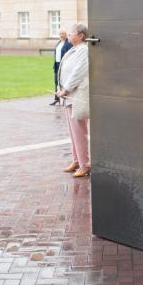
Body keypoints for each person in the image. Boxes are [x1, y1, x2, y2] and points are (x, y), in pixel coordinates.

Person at [57, 23, 90, 178]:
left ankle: (85, 164)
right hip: (69, 96)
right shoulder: (73, 49)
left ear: (81, 35)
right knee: (73, 132)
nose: (68, 35)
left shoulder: (83, 50)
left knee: (79, 131)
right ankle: (76, 160)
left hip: (75, 96)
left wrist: (65, 89)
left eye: (71, 33)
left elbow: (78, 73)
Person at [50, 29, 72, 105]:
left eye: (63, 33)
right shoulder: (59, 43)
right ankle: (57, 98)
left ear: (66, 34)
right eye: (60, 34)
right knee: (56, 81)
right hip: (57, 64)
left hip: (64, 65)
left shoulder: (69, 43)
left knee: (64, 82)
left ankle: (65, 99)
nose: (61, 35)